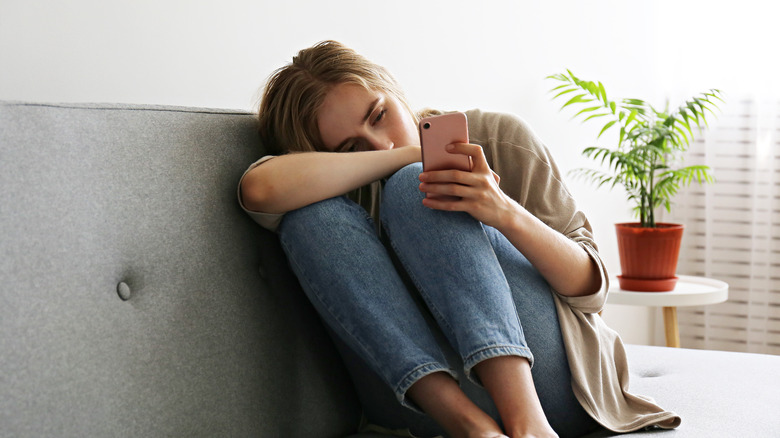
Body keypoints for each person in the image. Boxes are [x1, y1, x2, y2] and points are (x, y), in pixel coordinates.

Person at [238, 40, 681, 438]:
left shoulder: (499, 136)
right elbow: (259, 189)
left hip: (555, 387)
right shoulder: (328, 187)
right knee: (311, 217)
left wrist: (503, 212)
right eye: (349, 149)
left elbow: (592, 291)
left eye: (379, 115)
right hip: (423, 405)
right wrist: (414, 155)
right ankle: (473, 430)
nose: (379, 146)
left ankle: (530, 427)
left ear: (393, 88)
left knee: (418, 185)